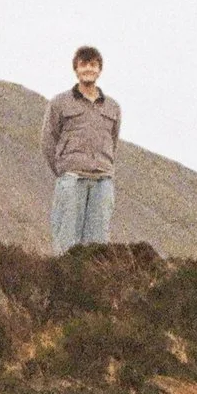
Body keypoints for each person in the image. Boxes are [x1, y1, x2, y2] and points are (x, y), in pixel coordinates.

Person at [41, 46, 121, 253]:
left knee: (98, 247)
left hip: (102, 181)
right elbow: (48, 140)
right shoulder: (60, 102)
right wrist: (63, 169)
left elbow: (113, 140)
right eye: (83, 64)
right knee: (66, 243)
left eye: (93, 64)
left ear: (100, 70)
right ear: (76, 69)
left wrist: (106, 166)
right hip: (72, 179)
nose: (88, 69)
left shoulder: (113, 107)